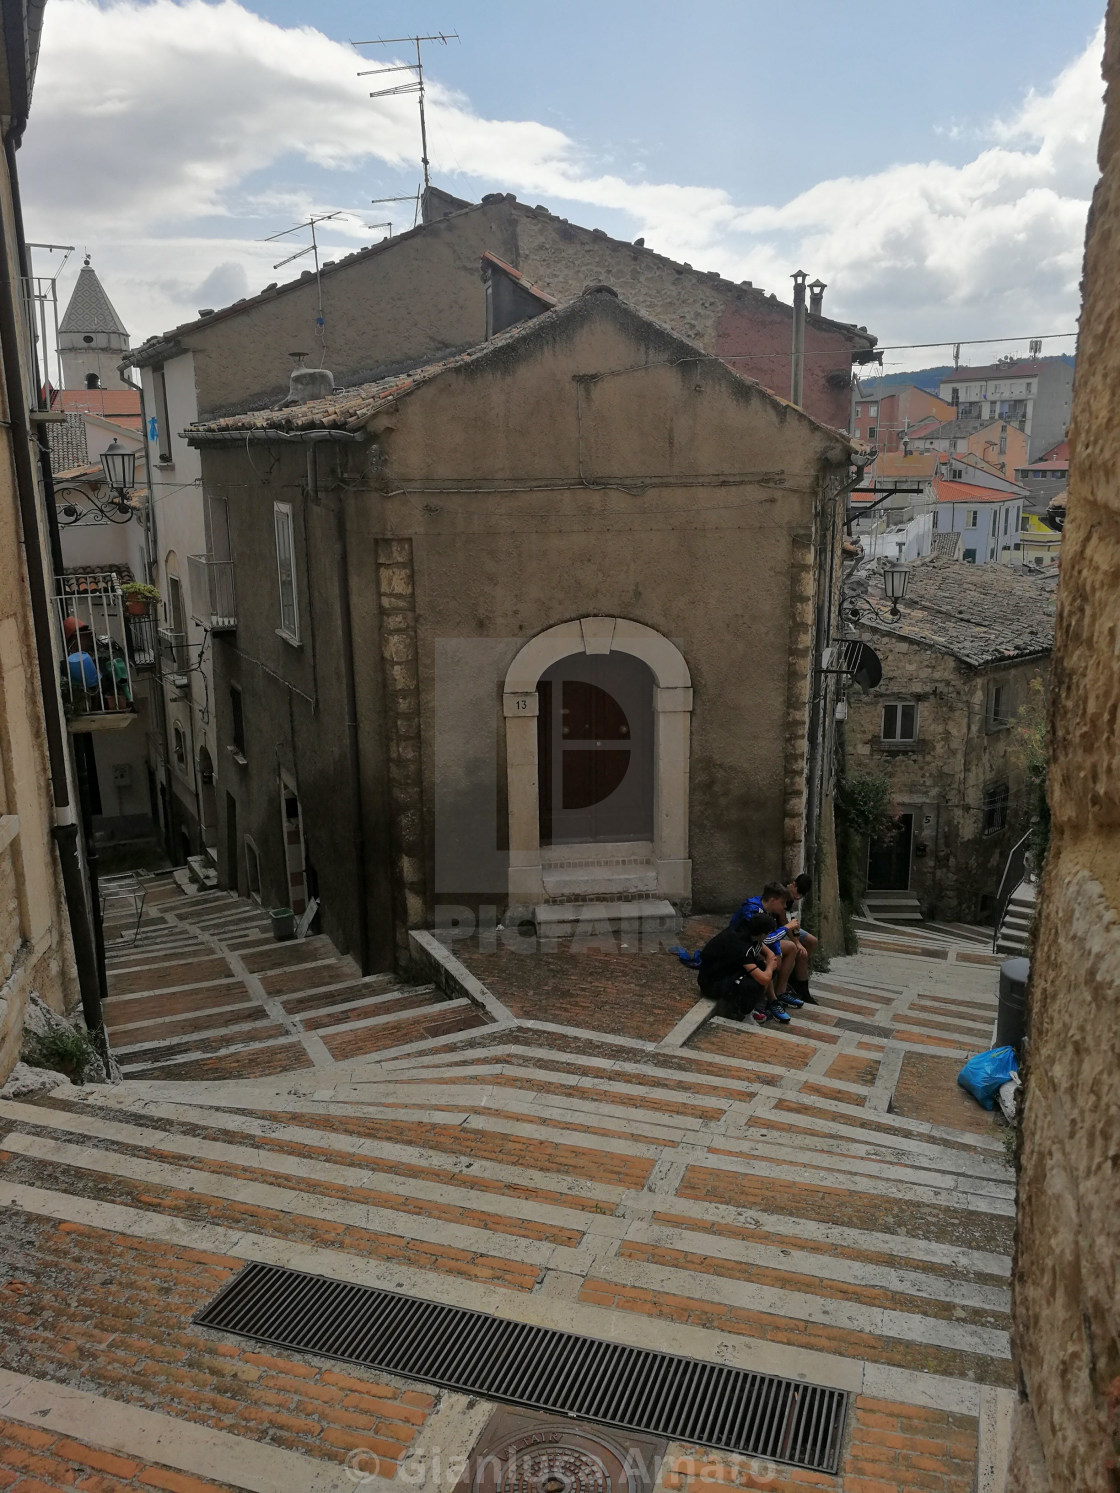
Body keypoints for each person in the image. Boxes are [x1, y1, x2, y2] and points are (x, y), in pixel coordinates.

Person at [697, 913, 787, 1025]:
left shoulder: (745, 928)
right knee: (755, 983)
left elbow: (769, 953)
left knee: (763, 969)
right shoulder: (743, 948)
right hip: (711, 982)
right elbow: (763, 979)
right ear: (763, 934)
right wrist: (770, 966)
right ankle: (745, 1014)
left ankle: (748, 1007)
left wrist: (769, 962)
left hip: (726, 969)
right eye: (768, 934)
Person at [730, 881, 805, 1011]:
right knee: (769, 961)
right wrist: (787, 927)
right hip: (743, 945)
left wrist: (778, 952)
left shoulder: (767, 909)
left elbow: (769, 937)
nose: (783, 907)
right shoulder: (753, 910)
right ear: (772, 900)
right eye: (782, 903)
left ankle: (781, 992)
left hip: (758, 943)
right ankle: (772, 1001)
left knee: (791, 948)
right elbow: (767, 939)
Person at [784, 873, 818, 1004]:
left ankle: (796, 974)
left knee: (812, 941)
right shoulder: (783, 893)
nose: (798, 896)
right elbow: (783, 922)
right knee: (802, 953)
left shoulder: (791, 897)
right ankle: (803, 991)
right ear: (793, 884)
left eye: (801, 895)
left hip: (789, 925)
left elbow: (791, 919)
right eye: (798, 892)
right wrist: (797, 942)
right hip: (779, 927)